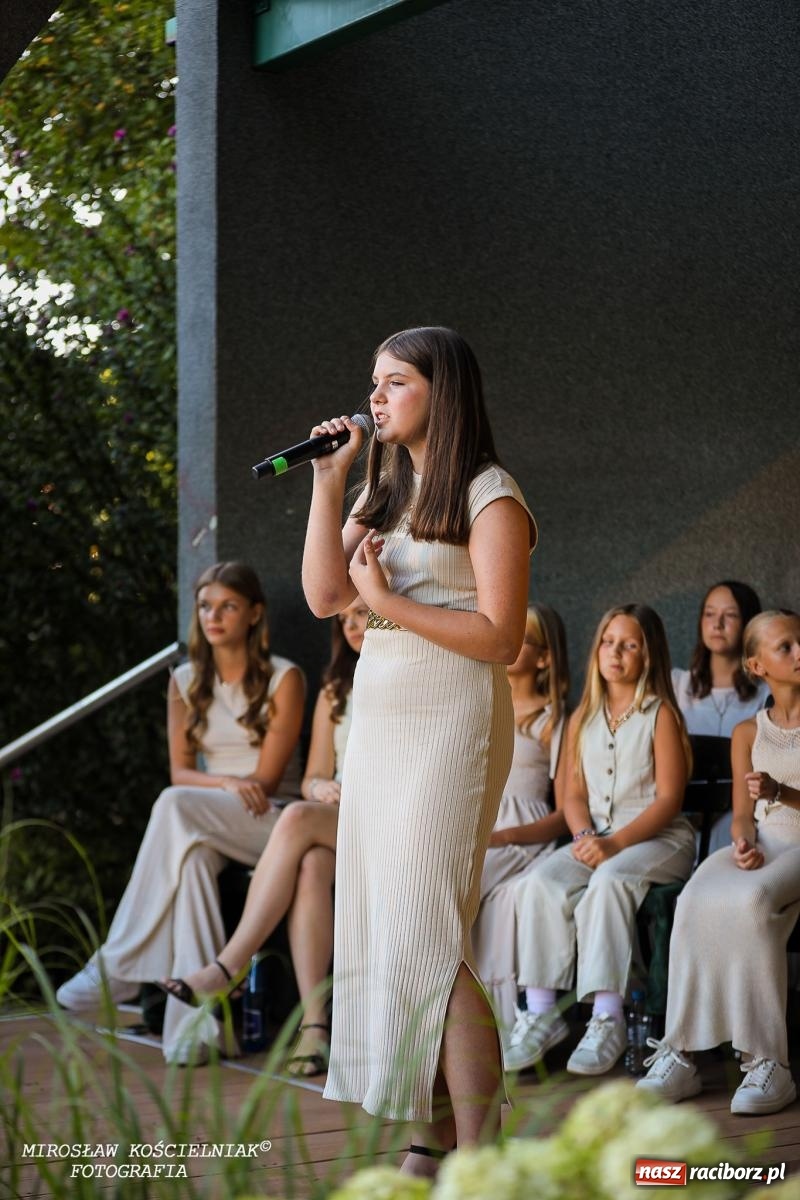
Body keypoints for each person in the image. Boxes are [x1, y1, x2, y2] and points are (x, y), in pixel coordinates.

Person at [301, 326, 535, 1173]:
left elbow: (502, 636)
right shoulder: (386, 486)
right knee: (393, 933)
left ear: (445, 391)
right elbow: (328, 594)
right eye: (374, 382)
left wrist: (387, 604)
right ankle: (429, 1137)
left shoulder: (489, 493)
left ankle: (481, 1158)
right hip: (384, 720)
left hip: (453, 721)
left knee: (428, 931)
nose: (376, 397)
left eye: (395, 382)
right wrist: (330, 481)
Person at [55, 562, 305, 1064]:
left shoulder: (285, 677)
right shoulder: (184, 680)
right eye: (206, 605)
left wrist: (235, 786)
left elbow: (269, 780)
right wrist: (226, 782)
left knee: (175, 808)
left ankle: (120, 964)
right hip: (208, 815)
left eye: (228, 605)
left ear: (254, 613)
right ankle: (196, 1032)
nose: (214, 616)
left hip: (275, 822)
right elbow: (180, 772)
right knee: (188, 863)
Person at [160, 595, 367, 1075]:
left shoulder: (408, 678)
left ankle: (229, 965)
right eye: (345, 619)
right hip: (340, 818)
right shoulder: (336, 689)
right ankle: (315, 1027)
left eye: (363, 614)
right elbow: (315, 772)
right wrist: (323, 786)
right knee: (312, 862)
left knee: (295, 818)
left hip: (390, 816)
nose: (353, 626)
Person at [505, 604, 696, 1076]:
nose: (617, 653)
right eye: (610, 642)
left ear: (649, 655)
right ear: (597, 651)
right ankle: (542, 1011)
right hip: (600, 837)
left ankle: (607, 1016)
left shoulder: (660, 715)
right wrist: (586, 835)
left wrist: (614, 845)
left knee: (608, 882)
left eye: (630, 644)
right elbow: (572, 794)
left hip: (657, 839)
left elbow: (669, 799)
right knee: (539, 882)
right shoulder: (582, 717)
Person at [637, 611, 800, 1116]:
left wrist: (782, 791)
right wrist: (743, 840)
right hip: (768, 843)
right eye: (786, 647)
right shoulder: (748, 732)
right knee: (694, 898)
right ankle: (680, 1052)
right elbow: (742, 817)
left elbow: (773, 797)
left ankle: (769, 1061)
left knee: (751, 902)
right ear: (756, 665)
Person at [472, 603, 569, 1031]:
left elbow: (566, 814)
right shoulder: (478, 700)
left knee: (463, 880)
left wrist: (506, 836)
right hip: (477, 822)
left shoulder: (555, 721)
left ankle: (496, 1021)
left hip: (521, 834)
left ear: (545, 657)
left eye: (520, 637)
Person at [671, 580, 769, 851]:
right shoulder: (677, 685)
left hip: (738, 816)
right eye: (710, 613)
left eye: (731, 615)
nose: (717, 624)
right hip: (680, 814)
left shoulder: (766, 693)